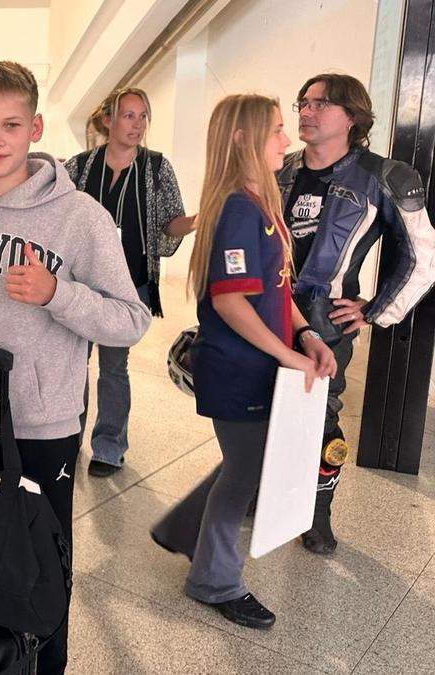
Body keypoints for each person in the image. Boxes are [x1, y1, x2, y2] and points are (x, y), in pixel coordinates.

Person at [0, 61, 151, 675]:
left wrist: (58, 294)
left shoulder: (80, 218)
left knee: (40, 568)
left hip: (43, 427)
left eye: (11, 125)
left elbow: (131, 319)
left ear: (35, 128)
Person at [150, 94, 336, 630]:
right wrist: (286, 354)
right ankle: (214, 581)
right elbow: (230, 300)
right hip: (238, 370)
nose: (287, 139)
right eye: (277, 130)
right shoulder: (235, 207)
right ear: (243, 139)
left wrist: (305, 336)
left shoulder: (260, 205)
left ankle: (185, 530)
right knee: (246, 473)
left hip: (263, 366)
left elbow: (275, 293)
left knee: (242, 465)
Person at [277, 73, 435, 554]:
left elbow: (423, 256)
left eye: (320, 103)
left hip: (327, 319)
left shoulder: (383, 176)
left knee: (321, 417)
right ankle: (258, 491)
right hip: (268, 306)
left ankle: (316, 513)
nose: (306, 111)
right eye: (303, 102)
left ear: (352, 116)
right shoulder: (279, 169)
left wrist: (375, 308)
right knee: (257, 405)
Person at [64, 87, 195, 477]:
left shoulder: (156, 168)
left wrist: (198, 220)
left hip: (129, 284)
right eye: (128, 116)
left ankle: (108, 447)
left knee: (114, 367)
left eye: (142, 117)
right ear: (108, 120)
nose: (136, 125)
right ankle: (66, 438)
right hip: (79, 283)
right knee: (72, 364)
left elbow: (171, 220)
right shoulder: (79, 167)